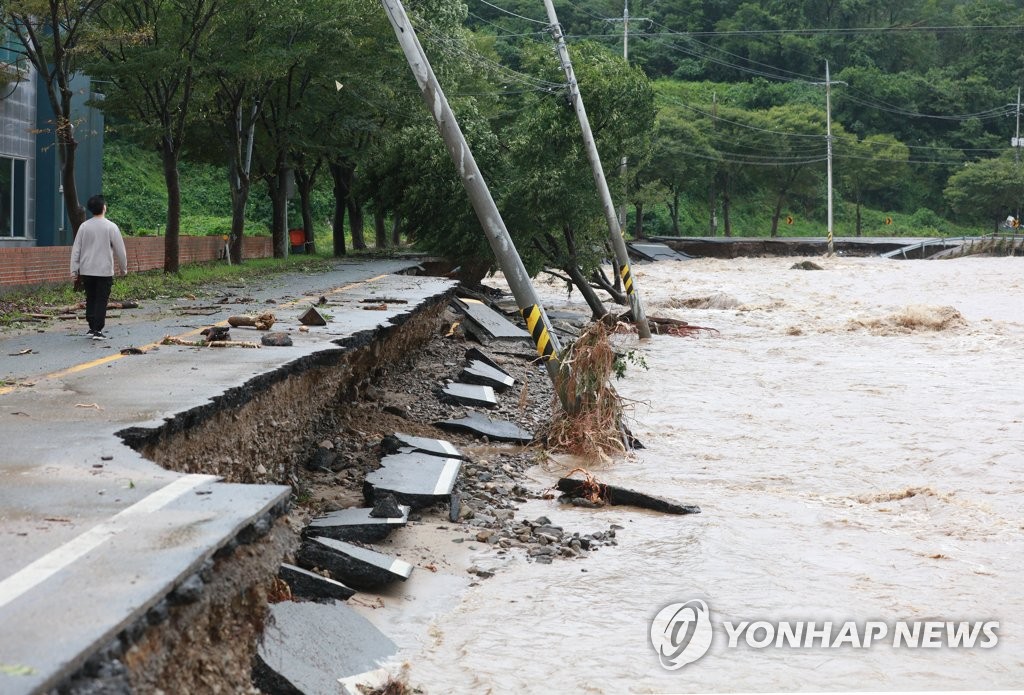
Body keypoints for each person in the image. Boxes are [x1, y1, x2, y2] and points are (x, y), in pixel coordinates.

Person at [70, 195, 128, 340]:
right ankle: (98, 329)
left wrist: (74, 269)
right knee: (101, 299)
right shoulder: (111, 227)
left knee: (91, 297)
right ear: (104, 208)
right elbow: (120, 250)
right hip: (104, 271)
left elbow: (76, 249)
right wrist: (123, 268)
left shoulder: (84, 226)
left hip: (87, 270)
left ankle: (91, 327)